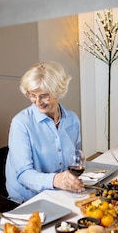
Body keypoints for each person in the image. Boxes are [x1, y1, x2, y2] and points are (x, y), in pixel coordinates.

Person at [5, 61, 84, 203]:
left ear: (58, 92)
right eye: (32, 95)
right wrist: (56, 180)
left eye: (44, 95)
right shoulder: (21, 123)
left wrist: (71, 180)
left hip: (61, 194)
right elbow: (23, 175)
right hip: (29, 200)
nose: (37, 102)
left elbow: (76, 161)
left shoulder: (72, 119)